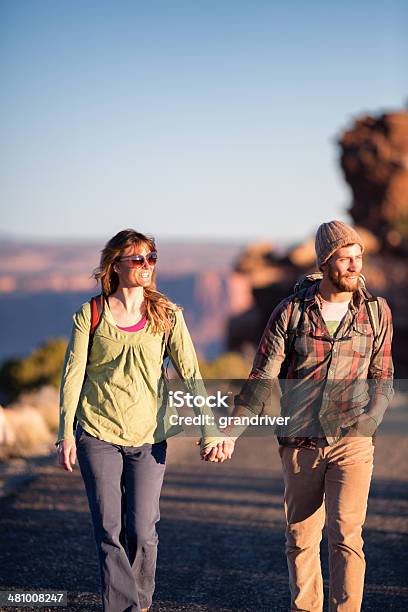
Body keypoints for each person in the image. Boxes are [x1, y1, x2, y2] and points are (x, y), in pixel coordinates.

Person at [56, 229, 233, 612]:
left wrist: (210, 430)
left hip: (150, 436)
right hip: (97, 431)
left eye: (151, 258)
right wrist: (65, 432)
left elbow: (190, 374)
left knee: (142, 530)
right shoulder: (91, 313)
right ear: (115, 265)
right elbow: (73, 375)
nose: (146, 265)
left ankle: (140, 600)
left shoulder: (167, 315)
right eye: (137, 259)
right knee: (109, 529)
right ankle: (125, 608)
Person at [226, 221, 394, 612]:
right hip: (300, 444)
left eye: (358, 258)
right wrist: (231, 433)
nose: (355, 266)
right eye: (345, 259)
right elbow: (261, 378)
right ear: (325, 262)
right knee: (301, 537)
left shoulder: (374, 312)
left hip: (352, 442)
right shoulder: (291, 313)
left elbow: (383, 378)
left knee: (346, 535)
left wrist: (368, 423)